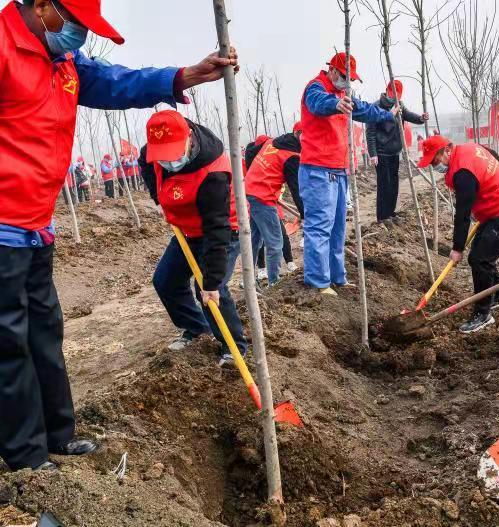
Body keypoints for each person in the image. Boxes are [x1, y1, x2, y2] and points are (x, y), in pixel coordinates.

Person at [0, 0, 238, 473]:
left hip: (36, 224)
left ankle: (57, 434)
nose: (80, 37)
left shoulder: (64, 60)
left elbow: (116, 81)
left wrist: (182, 76)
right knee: (9, 342)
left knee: (45, 331)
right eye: (77, 24)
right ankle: (25, 456)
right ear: (43, 7)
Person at [140, 110, 246, 367]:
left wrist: (209, 282)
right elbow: (145, 164)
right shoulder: (151, 152)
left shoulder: (214, 172)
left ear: (189, 138)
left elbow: (216, 229)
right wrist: (158, 197)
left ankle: (234, 346)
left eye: (174, 154)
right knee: (165, 281)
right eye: (162, 156)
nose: (168, 161)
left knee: (211, 290)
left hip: (223, 231)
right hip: (186, 230)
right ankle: (196, 328)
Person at [299, 51, 396, 296]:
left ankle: (337, 278)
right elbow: (318, 103)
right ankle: (318, 283)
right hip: (317, 171)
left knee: (338, 228)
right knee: (319, 227)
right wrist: (335, 104)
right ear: (332, 70)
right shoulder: (315, 88)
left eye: (350, 79)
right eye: (343, 76)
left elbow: (363, 110)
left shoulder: (344, 94)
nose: (346, 82)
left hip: (339, 170)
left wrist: (388, 115)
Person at [418, 135, 499, 333]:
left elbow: (462, 213)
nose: (434, 167)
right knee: (479, 256)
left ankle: (483, 314)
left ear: (447, 150)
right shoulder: (468, 149)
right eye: (431, 164)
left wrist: (457, 248)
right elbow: (492, 156)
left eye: (435, 161)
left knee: (480, 259)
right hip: (498, 210)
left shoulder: (462, 172)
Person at [366, 79, 428, 226]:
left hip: (395, 152)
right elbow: (370, 132)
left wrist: (421, 118)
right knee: (384, 184)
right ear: (388, 91)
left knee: (394, 184)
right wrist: (373, 153)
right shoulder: (375, 107)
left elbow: (409, 115)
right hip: (381, 153)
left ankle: (390, 213)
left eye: (399, 96)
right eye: (394, 94)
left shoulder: (399, 106)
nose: (396, 98)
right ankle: (382, 216)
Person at [245, 127, 302, 286]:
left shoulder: (273, 142)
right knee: (276, 243)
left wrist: (255, 176)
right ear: (297, 134)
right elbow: (296, 188)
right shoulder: (291, 156)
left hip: (252, 191)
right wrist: (305, 213)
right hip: (263, 197)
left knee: (255, 241)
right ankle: (274, 284)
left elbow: (249, 152)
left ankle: (249, 281)